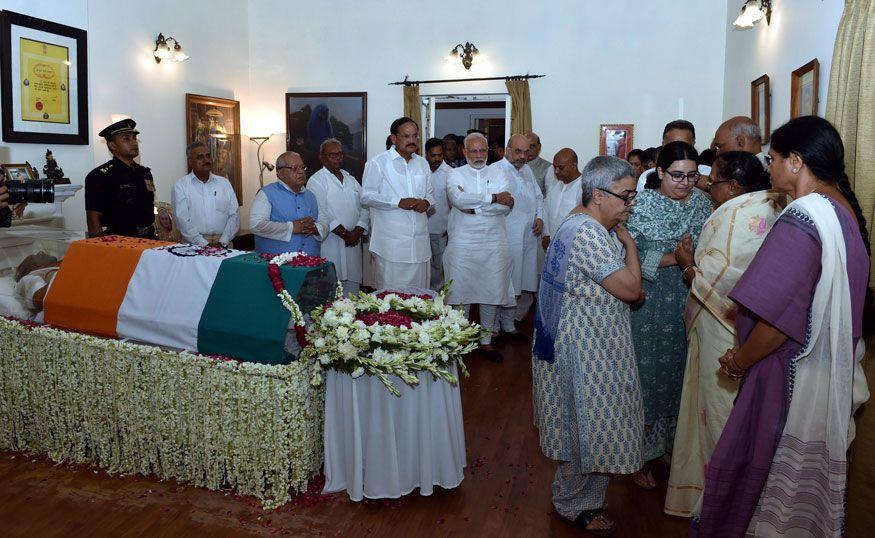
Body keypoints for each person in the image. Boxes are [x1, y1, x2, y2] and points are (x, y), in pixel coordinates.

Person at [692, 116, 872, 537]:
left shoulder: (802, 219)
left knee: (754, 473)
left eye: (771, 159)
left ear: (795, 161)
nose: (767, 168)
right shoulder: (842, 210)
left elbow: (776, 320)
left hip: (784, 371)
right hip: (826, 369)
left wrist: (739, 360)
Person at [662, 152, 780, 517]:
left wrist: (686, 265)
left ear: (732, 186)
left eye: (710, 182)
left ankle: (718, 502)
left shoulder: (737, 216)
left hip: (725, 330)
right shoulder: (769, 205)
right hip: (749, 330)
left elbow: (717, 278)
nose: (705, 187)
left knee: (717, 413)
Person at [532, 156, 644, 534]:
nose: (630, 206)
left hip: (581, 341)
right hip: (586, 349)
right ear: (598, 195)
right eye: (625, 197)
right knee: (588, 429)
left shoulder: (577, 222)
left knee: (585, 426)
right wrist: (629, 242)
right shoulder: (589, 234)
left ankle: (584, 498)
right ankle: (575, 504)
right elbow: (631, 290)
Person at [626, 141, 712, 489]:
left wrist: (688, 262)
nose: (684, 183)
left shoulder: (704, 204)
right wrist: (675, 259)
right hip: (647, 298)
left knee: (682, 372)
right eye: (676, 175)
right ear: (659, 172)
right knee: (646, 375)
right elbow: (628, 249)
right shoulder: (639, 204)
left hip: (689, 297)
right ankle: (637, 456)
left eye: (692, 176)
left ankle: (672, 448)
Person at [443, 132, 515, 362]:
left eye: (482, 150)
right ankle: (460, 339)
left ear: (488, 151)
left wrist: (475, 206)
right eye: (473, 151)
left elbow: (505, 208)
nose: (478, 155)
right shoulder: (454, 174)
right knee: (460, 292)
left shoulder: (500, 172)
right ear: (464, 152)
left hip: (493, 242)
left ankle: (485, 341)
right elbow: (458, 200)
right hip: (462, 242)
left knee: (491, 292)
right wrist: (494, 198)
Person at [361, 117, 434, 289]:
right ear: (394, 138)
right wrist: (397, 202)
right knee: (391, 301)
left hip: (419, 247)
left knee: (420, 300)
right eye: (406, 136)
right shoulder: (378, 163)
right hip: (391, 247)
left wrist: (427, 203)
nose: (412, 141)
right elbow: (366, 196)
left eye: (415, 136)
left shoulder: (422, 163)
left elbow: (430, 194)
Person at [494, 133, 544, 333]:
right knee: (504, 282)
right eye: (518, 151)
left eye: (526, 152)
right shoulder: (495, 170)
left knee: (521, 283)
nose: (522, 156)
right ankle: (493, 326)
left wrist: (540, 217)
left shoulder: (527, 171)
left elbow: (539, 197)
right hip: (506, 238)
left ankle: (509, 322)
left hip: (528, 237)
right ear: (507, 150)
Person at [308, 138, 369, 296]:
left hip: (353, 243)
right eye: (332, 155)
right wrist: (345, 234)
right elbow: (321, 211)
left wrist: (357, 231)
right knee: (330, 292)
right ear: (322, 157)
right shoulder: (316, 181)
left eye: (340, 154)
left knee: (353, 294)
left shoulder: (351, 179)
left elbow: (366, 205)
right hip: (331, 242)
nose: (338, 158)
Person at [85, 118, 156, 238]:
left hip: (148, 238)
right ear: (112, 145)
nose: (134, 143)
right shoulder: (99, 176)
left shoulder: (144, 172)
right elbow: (93, 220)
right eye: (126, 139)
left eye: (134, 138)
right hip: (120, 241)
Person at [250, 151, 320, 256]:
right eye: (294, 168)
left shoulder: (311, 196)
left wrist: (315, 228)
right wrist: (291, 227)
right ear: (280, 172)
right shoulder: (266, 193)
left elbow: (323, 221)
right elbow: (256, 225)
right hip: (277, 267)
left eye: (302, 167)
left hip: (309, 263)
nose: (301, 172)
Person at [170, 141, 239, 247]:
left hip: (224, 242)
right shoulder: (180, 186)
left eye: (208, 156)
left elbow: (234, 215)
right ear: (190, 162)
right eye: (200, 157)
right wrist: (204, 244)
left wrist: (223, 240)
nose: (206, 160)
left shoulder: (224, 183)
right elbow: (182, 221)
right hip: (194, 245)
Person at [636, 120, 697, 192]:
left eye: (685, 146)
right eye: (673, 145)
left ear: (693, 145)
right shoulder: (646, 178)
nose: (679, 150)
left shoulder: (706, 176)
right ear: (663, 145)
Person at [424, 138, 452, 290]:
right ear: (426, 154)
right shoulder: (420, 170)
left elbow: (455, 205)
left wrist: (451, 229)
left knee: (439, 267)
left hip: (441, 231)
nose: (437, 159)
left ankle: (437, 302)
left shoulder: (450, 174)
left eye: (440, 155)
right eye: (433, 155)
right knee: (422, 267)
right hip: (420, 230)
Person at [542, 148, 582, 250]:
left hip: (571, 245)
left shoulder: (583, 187)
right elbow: (545, 210)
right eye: (554, 167)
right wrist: (546, 234)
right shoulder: (554, 185)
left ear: (573, 166)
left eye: (560, 168)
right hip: (550, 243)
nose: (556, 171)